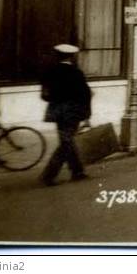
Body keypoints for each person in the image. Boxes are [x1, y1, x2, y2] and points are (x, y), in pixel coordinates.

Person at [40, 44, 93, 185]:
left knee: (67, 140)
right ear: (72, 57)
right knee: (66, 143)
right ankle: (48, 175)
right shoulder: (76, 73)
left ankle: (77, 171)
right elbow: (85, 95)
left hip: (57, 112)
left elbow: (45, 96)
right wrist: (87, 116)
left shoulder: (50, 72)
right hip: (72, 112)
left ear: (58, 56)